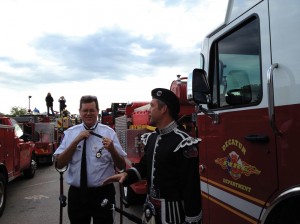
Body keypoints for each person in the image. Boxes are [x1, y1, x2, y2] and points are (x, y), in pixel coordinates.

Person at [103, 88, 202, 224]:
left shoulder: (183, 142)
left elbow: (191, 187)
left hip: (172, 214)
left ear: (163, 109)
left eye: (152, 106)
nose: (149, 110)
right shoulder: (152, 137)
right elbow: (144, 166)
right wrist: (127, 175)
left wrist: (192, 220)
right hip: (150, 209)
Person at [54, 95, 127, 224]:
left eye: (92, 110)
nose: (88, 113)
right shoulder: (70, 133)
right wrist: (75, 142)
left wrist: (112, 150)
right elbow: (60, 164)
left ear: (97, 111)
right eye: (85, 110)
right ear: (80, 112)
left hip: (103, 192)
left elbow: (121, 166)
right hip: (77, 194)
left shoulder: (109, 133)